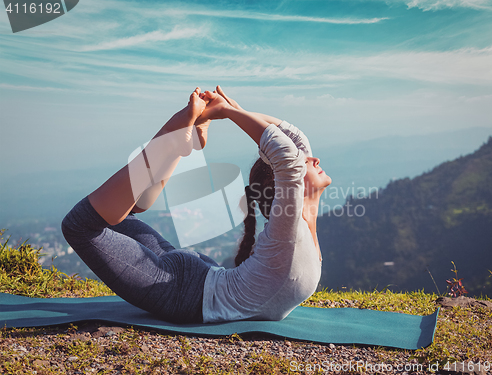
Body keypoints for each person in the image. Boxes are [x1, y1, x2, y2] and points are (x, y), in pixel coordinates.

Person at [61, 86, 331, 324]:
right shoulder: (289, 228)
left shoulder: (290, 226)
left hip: (191, 283)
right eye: (306, 161)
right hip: (186, 289)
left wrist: (231, 111)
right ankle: (171, 139)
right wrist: (232, 111)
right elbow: (291, 150)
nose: (314, 158)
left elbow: (292, 149)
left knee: (103, 219)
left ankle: (175, 144)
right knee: (85, 224)